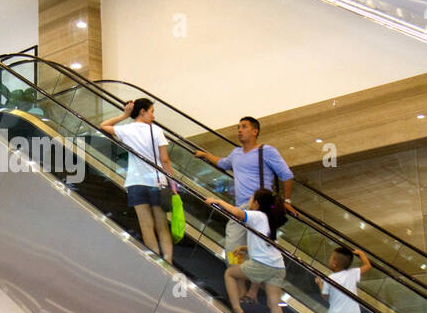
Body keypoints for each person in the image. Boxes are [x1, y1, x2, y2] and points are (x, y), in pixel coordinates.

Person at [195, 116, 295, 266]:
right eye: (238, 127)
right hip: (242, 207)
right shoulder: (236, 153)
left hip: (260, 207)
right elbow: (222, 163)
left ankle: (237, 273)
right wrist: (205, 155)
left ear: (255, 131)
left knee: (245, 244)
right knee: (238, 247)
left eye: (244, 127)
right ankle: (238, 273)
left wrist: (287, 201)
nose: (240, 130)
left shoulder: (266, 151)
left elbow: (286, 175)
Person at [206, 188, 287, 313]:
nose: (248, 202)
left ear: (256, 203)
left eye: (250, 199)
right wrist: (244, 248)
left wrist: (218, 201)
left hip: (262, 264)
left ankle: (237, 310)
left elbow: (238, 213)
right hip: (278, 266)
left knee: (230, 273)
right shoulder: (270, 219)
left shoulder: (257, 215)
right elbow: (266, 245)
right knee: (274, 303)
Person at [100, 98, 177, 264]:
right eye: (151, 111)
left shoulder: (126, 130)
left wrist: (124, 115)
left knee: (146, 225)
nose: (153, 116)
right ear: (142, 111)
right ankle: (168, 261)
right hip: (158, 183)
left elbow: (103, 125)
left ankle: (157, 261)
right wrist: (172, 184)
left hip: (136, 183)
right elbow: (165, 160)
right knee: (162, 226)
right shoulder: (156, 131)